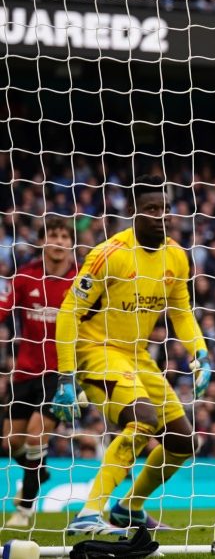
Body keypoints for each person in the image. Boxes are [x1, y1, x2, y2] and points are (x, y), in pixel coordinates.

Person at [53, 175, 212, 535]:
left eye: (166, 209)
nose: (162, 217)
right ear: (134, 213)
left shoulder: (176, 256)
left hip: (137, 356)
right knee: (142, 418)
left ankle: (129, 508)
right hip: (97, 351)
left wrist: (201, 353)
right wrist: (65, 377)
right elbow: (68, 313)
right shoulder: (109, 255)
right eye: (152, 209)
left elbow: (182, 312)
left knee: (183, 441)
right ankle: (90, 513)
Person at [0, 216, 77, 527]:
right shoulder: (24, 277)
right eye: (52, 236)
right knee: (11, 442)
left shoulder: (80, 282)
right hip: (25, 372)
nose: (58, 242)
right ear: (43, 242)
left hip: (60, 374)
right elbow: (3, 310)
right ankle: (40, 472)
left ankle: (25, 508)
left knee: (35, 435)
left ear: (71, 244)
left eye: (63, 237)